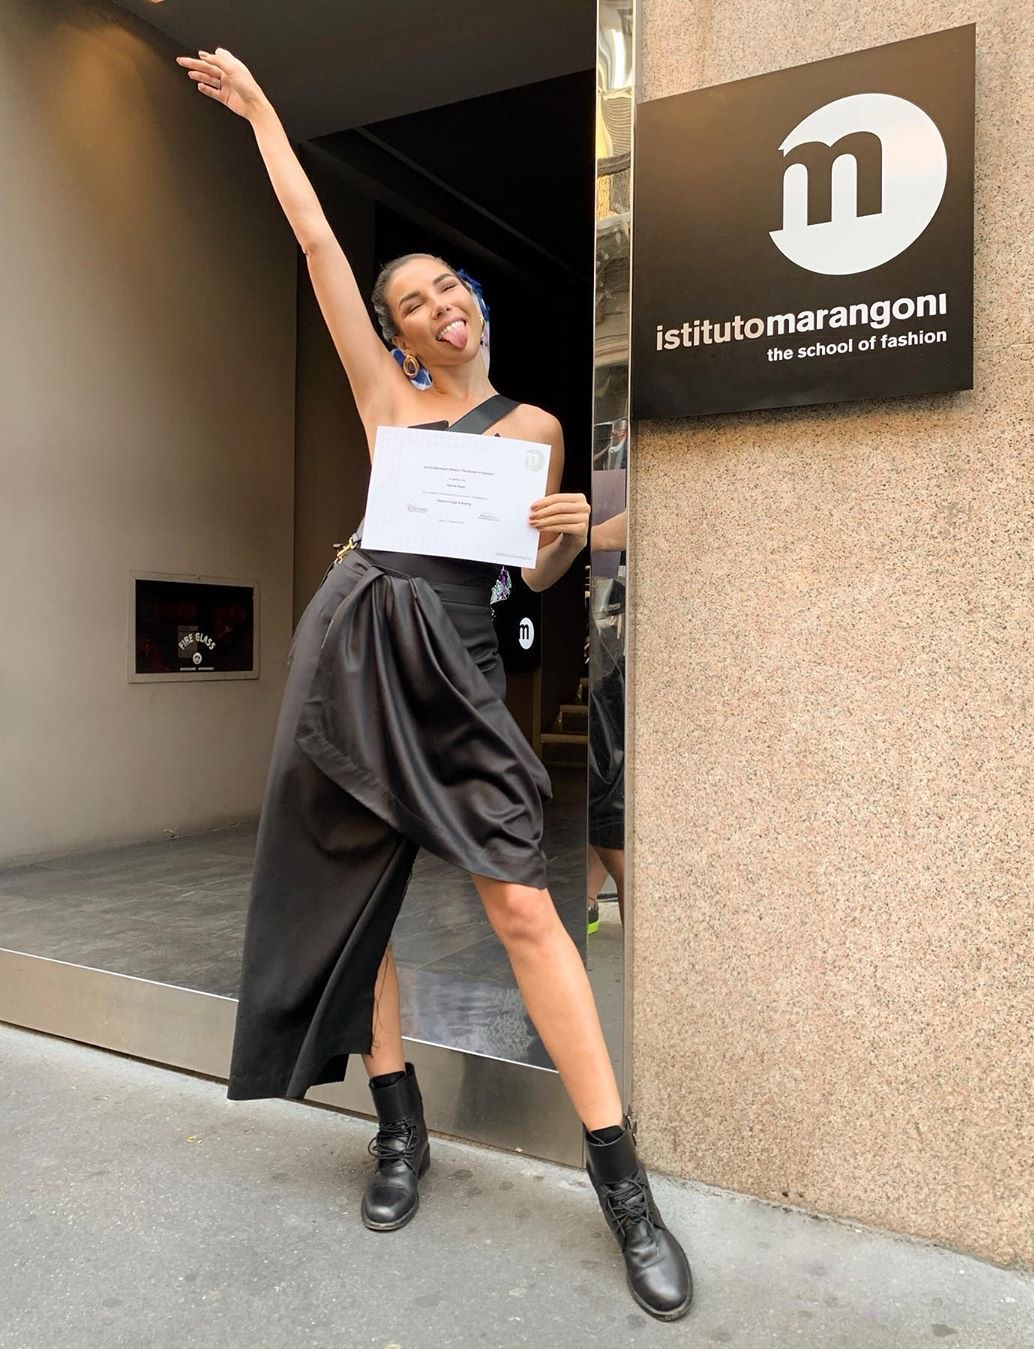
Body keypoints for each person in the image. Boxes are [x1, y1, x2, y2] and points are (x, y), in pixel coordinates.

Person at [175, 46, 693, 1321]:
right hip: (357, 644)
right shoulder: (383, 396)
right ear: (397, 332)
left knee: (523, 903)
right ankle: (397, 1125)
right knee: (356, 895)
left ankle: (622, 1182)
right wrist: (265, 112)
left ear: (474, 304)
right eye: (412, 297)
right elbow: (313, 238)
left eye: (448, 283)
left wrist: (571, 532)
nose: (437, 302)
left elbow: (532, 575)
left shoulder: (536, 428)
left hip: (459, 659)